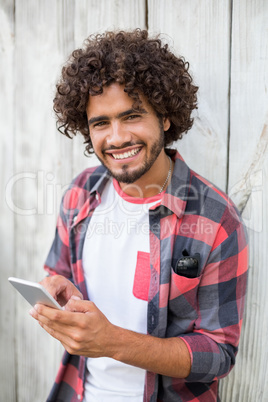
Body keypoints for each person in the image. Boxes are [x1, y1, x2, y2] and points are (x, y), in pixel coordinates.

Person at [30, 29, 248, 402]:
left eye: (131, 116)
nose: (116, 138)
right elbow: (59, 270)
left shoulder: (216, 220)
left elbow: (218, 354)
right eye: (101, 123)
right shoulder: (80, 192)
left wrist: (113, 342)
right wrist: (59, 290)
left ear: (164, 117)